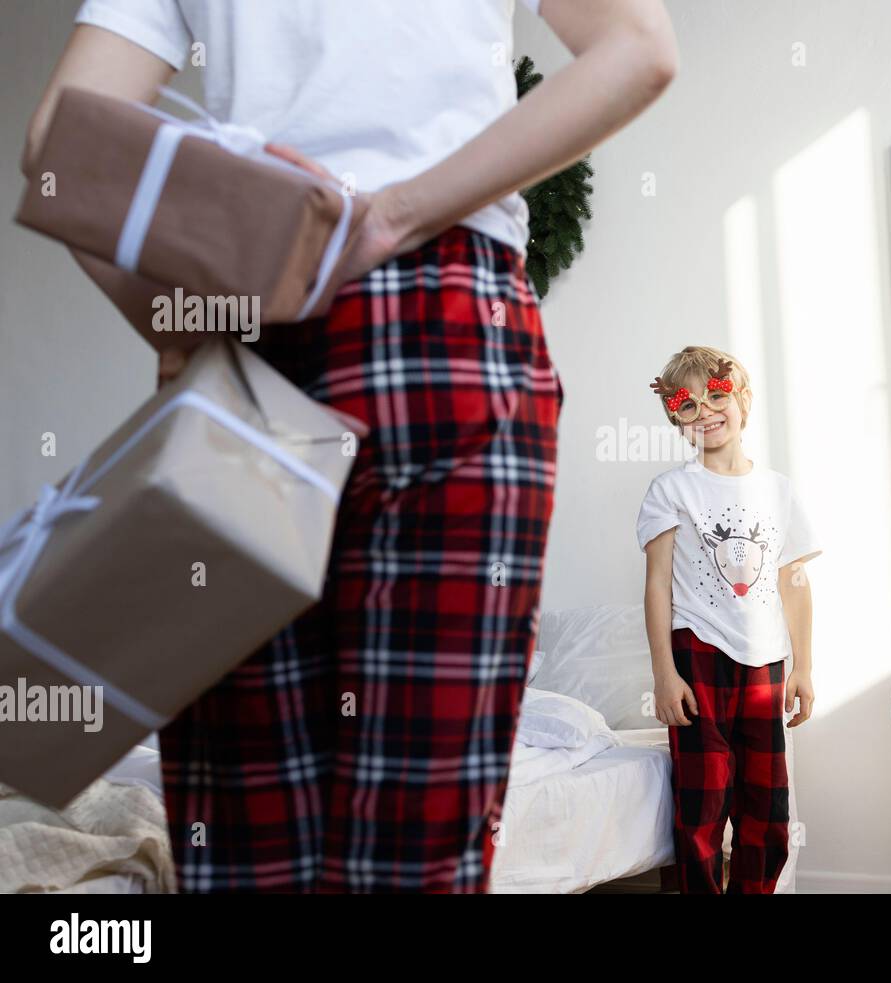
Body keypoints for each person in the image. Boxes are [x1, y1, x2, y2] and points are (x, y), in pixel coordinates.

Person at [22, 0, 677, 893]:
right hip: (450, 331)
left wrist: (181, 328)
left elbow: (58, 147)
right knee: (420, 843)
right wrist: (397, 214)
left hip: (256, 332)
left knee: (247, 843)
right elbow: (639, 50)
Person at [637, 345, 820, 893]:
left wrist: (803, 667)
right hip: (698, 655)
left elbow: (795, 582)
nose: (706, 411)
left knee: (767, 808)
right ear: (675, 418)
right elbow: (656, 585)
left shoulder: (777, 489)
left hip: (765, 660)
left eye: (716, 396)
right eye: (687, 406)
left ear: (741, 400)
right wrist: (665, 675)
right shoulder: (671, 490)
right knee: (703, 799)